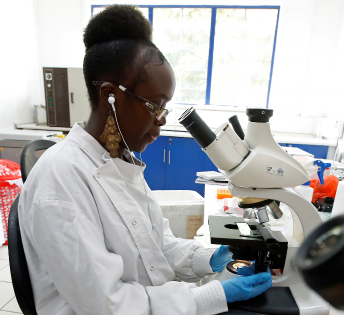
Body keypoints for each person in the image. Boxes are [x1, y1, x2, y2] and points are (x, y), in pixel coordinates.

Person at [18, 5, 271, 315]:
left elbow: (157, 246)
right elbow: (106, 306)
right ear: (110, 95)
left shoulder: (120, 162)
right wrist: (207, 297)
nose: (162, 121)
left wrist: (209, 257)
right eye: (155, 105)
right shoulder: (60, 181)